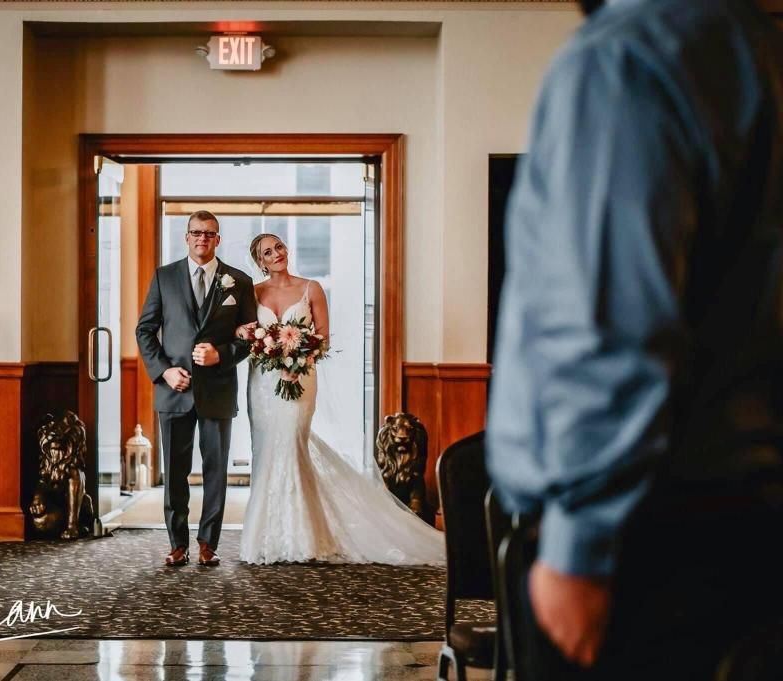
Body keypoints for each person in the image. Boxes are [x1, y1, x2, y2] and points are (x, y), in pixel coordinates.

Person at [487, 0, 783, 679]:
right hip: (745, 522)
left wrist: (579, 548)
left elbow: (606, 322)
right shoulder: (759, 48)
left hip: (640, 551)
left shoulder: (624, 61)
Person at [236, 233, 445, 565]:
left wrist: (298, 362)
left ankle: (300, 536)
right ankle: (267, 534)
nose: (277, 254)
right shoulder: (253, 292)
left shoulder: (311, 288)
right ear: (260, 261)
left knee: (291, 443)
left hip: (301, 378)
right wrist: (247, 336)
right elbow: (243, 332)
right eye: (268, 252)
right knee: (266, 450)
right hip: (263, 384)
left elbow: (322, 340)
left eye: (279, 247)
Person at [136, 210, 257, 567]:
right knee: (174, 472)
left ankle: (208, 543)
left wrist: (221, 355)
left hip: (217, 390)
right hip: (174, 391)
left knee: (216, 471)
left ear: (218, 239)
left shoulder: (239, 281)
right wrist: (164, 372)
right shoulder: (164, 277)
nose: (202, 238)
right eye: (196, 232)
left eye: (209, 233)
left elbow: (250, 338)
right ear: (186, 237)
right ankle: (177, 544)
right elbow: (145, 331)